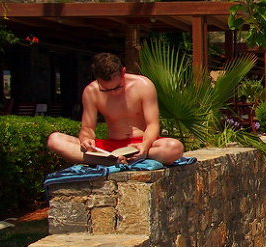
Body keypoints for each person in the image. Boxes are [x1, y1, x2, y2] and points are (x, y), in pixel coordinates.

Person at [47, 53, 185, 165]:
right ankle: (113, 160)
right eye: (106, 89)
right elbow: (87, 128)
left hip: (141, 144)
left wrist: (145, 145)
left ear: (123, 72)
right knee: (54, 140)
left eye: (117, 86)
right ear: (97, 79)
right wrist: (86, 140)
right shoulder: (91, 91)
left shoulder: (143, 85)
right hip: (110, 147)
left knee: (174, 147)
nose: (113, 92)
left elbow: (153, 124)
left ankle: (118, 160)